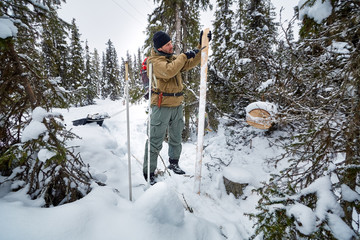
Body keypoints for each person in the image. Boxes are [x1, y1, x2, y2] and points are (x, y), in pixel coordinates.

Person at [143, 30, 212, 185]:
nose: (171, 45)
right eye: (167, 44)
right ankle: (149, 172)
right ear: (159, 48)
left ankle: (174, 163)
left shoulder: (171, 58)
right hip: (161, 106)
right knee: (155, 140)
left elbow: (189, 63)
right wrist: (184, 56)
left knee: (176, 137)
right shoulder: (154, 62)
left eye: (170, 43)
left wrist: (201, 46)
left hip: (176, 105)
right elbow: (169, 71)